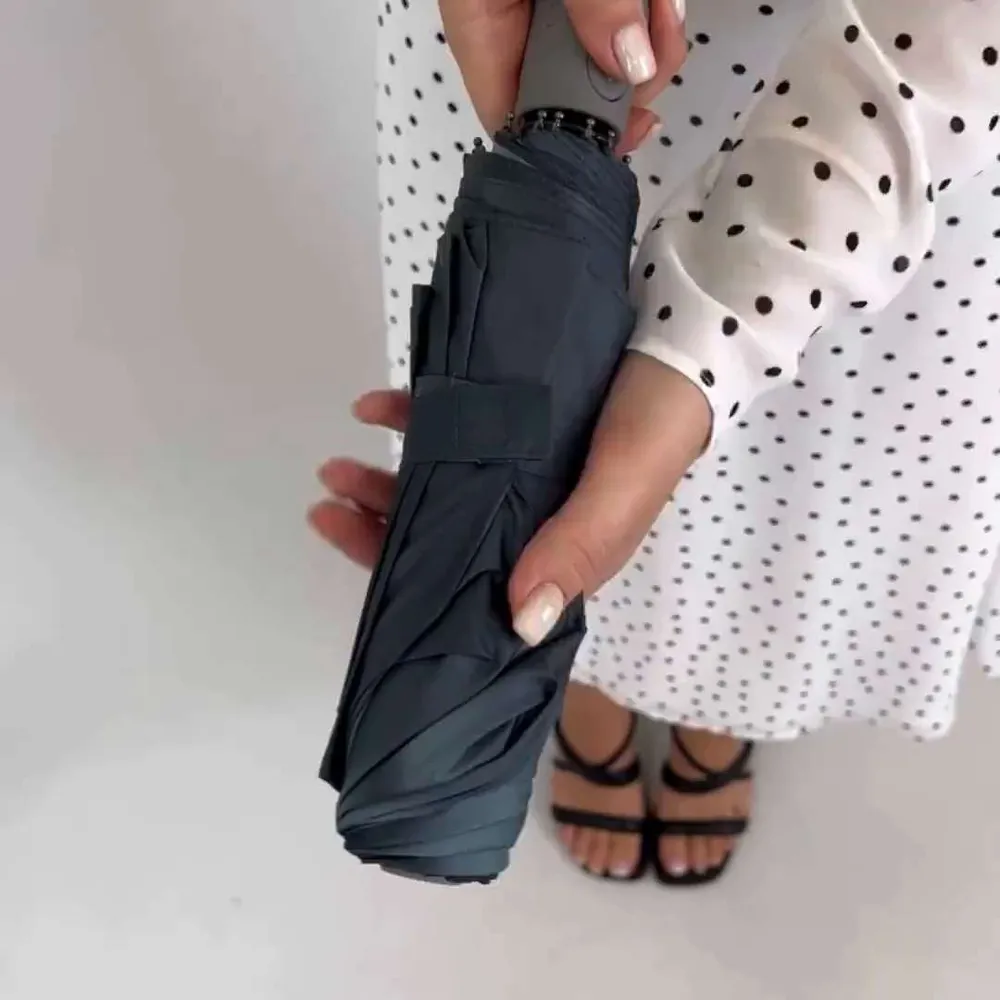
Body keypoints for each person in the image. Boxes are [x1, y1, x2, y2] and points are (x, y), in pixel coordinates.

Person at [312, 0, 1000, 885]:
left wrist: (721, 330)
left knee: (772, 466)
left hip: (909, 71)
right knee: (562, 466)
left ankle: (720, 705)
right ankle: (580, 682)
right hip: (524, 44)